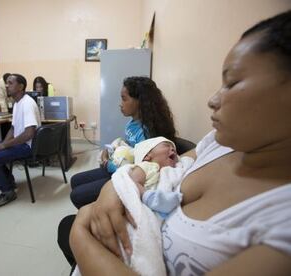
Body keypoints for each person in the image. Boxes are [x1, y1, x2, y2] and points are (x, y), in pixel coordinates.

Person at [67, 11, 291, 275]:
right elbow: (157, 171)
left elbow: (152, 164)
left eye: (232, 82)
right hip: (133, 200)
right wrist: (116, 186)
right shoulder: (217, 142)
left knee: (72, 212)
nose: (213, 99)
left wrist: (79, 233)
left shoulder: (280, 228)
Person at [70, 76, 176, 209]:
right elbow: (128, 148)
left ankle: (99, 213)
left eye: (124, 98)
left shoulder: (148, 133)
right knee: (75, 180)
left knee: (77, 195)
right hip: (119, 168)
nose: (120, 103)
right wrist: (109, 151)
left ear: (139, 102)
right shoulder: (133, 123)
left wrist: (110, 166)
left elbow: (140, 170)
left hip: (129, 178)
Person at [0, 74, 41, 208]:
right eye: (6, 83)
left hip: (27, 146)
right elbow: (13, 128)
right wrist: (2, 145)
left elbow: (29, 133)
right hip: (22, 143)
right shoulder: (17, 102)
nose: (7, 86)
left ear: (21, 87)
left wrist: (5, 145)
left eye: (10, 83)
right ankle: (9, 182)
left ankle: (7, 192)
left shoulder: (27, 103)